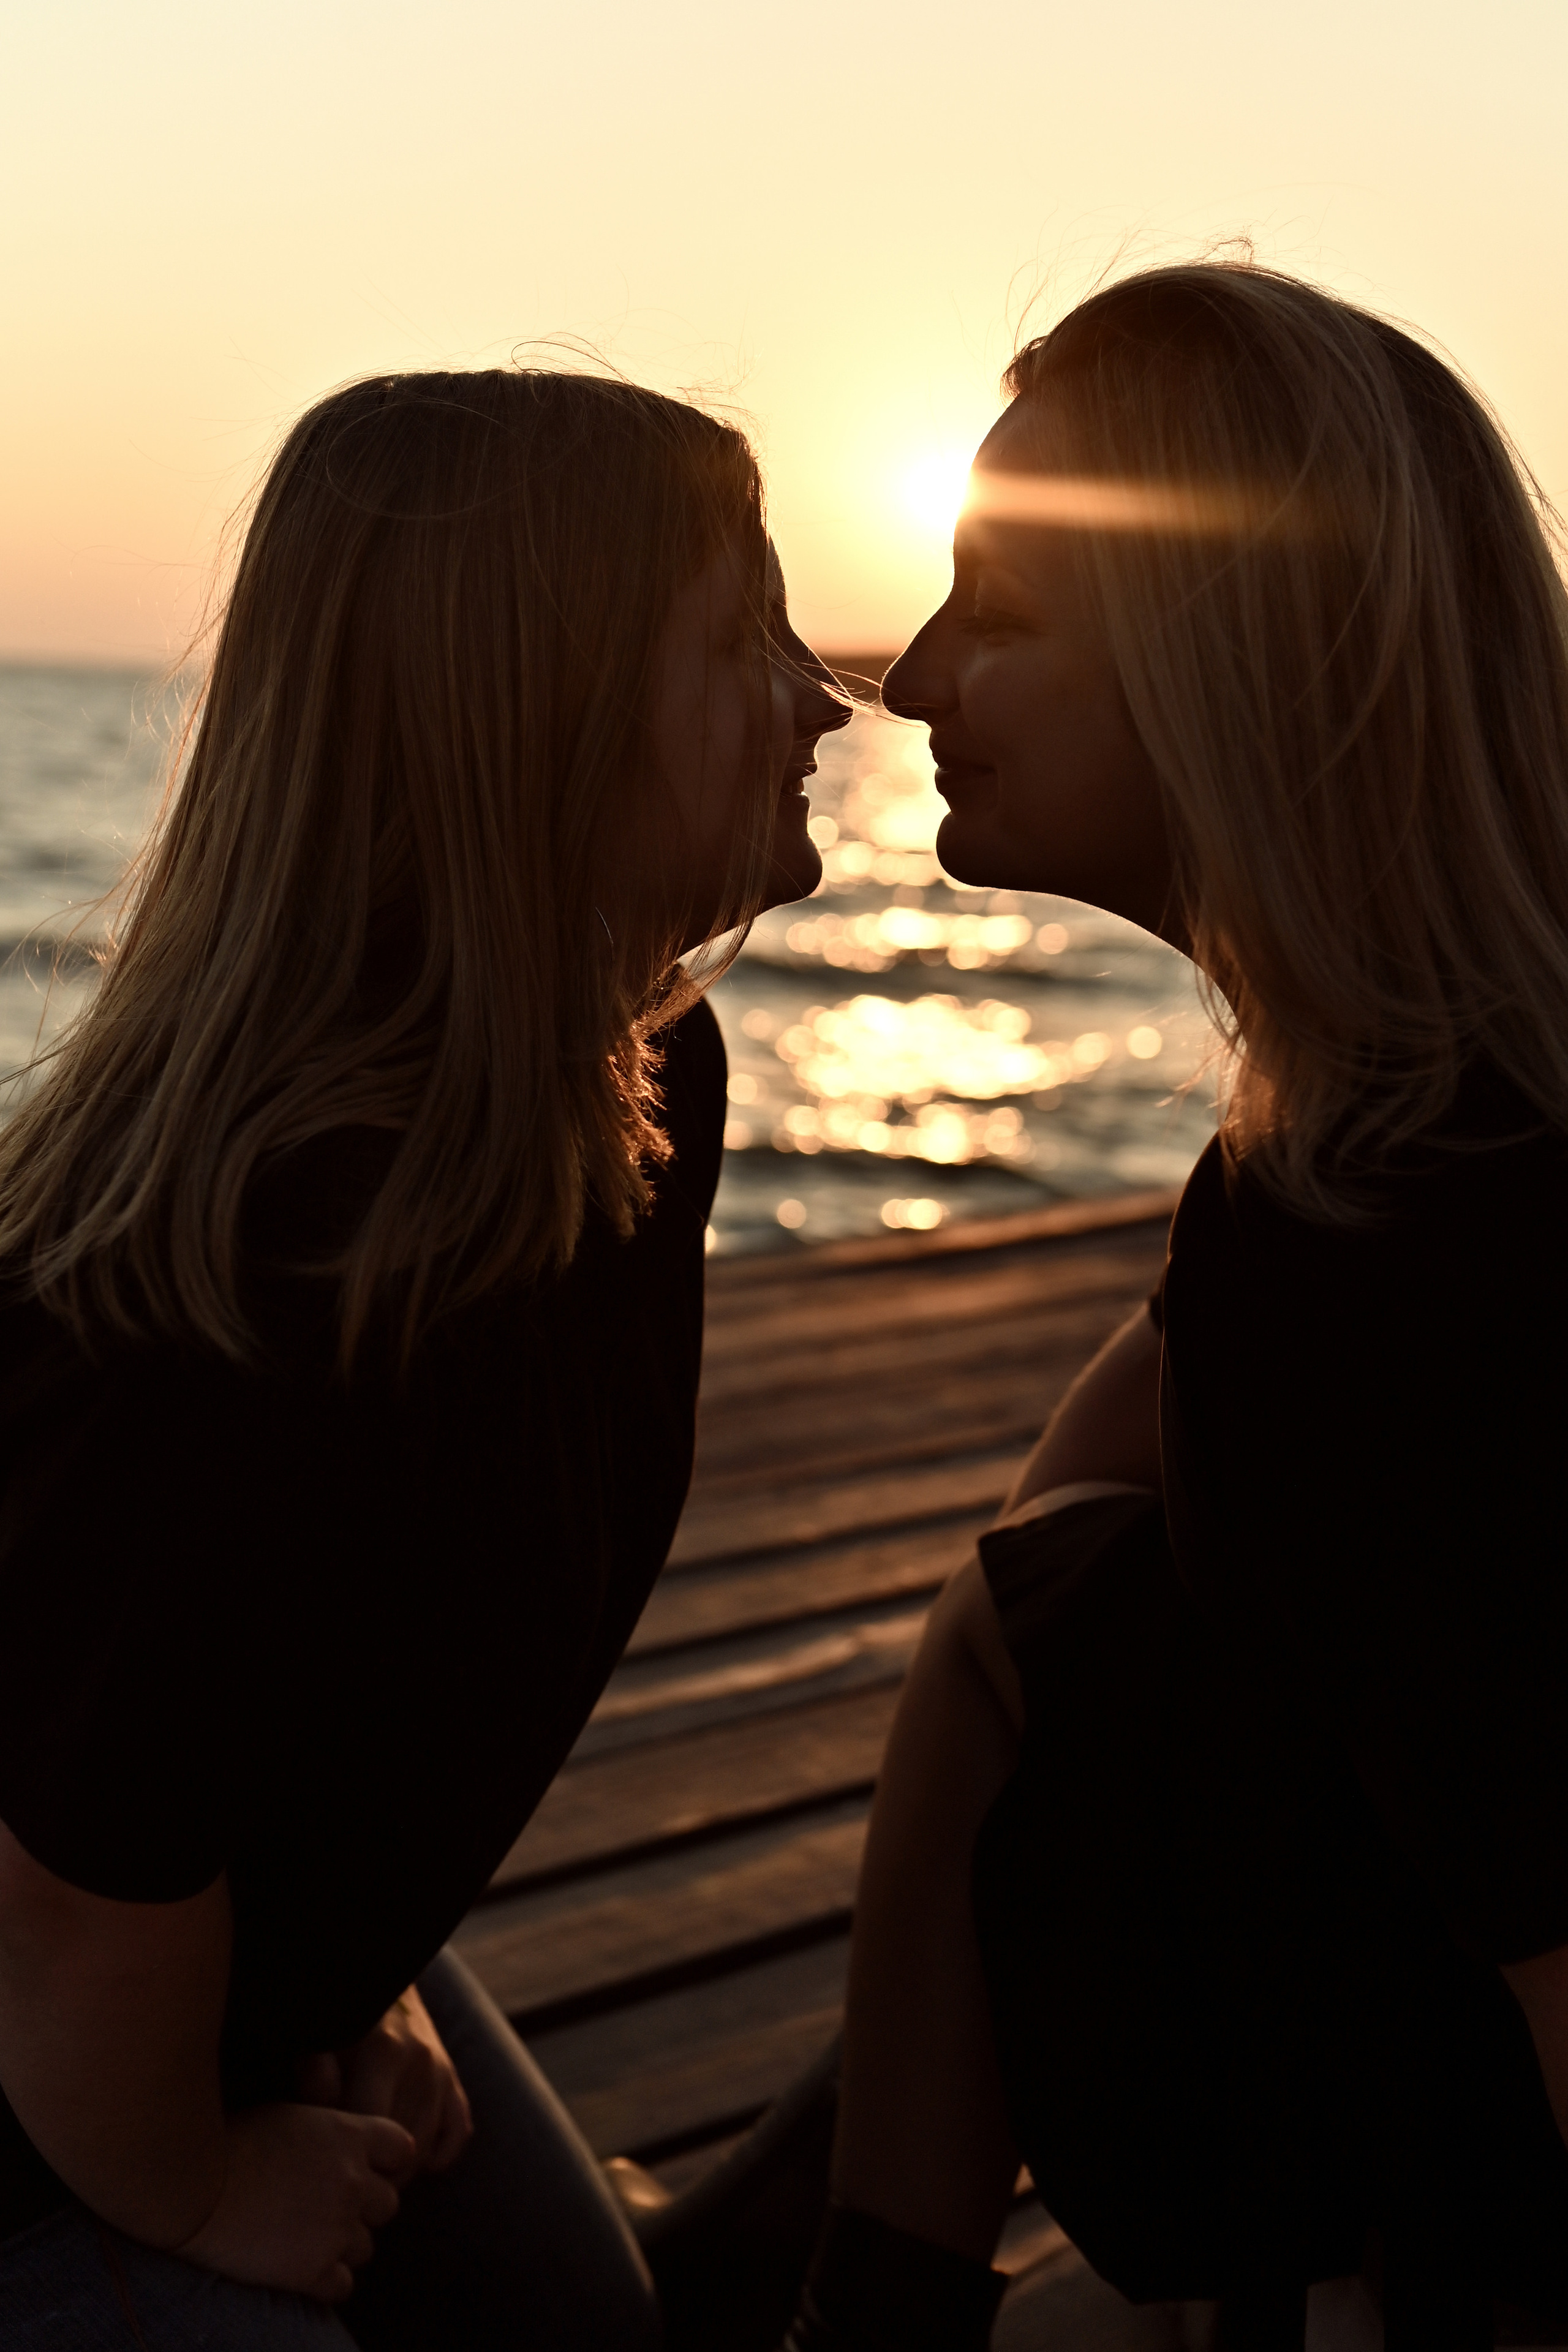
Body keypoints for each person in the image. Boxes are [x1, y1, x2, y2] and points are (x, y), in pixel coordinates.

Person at [0, 366, 849, 2348]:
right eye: (743, 636)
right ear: (537, 715)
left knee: (582, 2320)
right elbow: (63, 1894)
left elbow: (305, 1683)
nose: (825, 699)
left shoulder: (635, 1087)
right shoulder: (261, 1271)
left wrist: (345, 1950)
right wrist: (197, 2180)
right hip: (49, 2040)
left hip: (175, 1930)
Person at [778, 263, 1568, 2351]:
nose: (911, 680)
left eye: (1003, 616)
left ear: (1241, 671)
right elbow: (1121, 1452)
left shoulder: (1406, 1265)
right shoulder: (1395, 1137)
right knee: (1065, 1582)